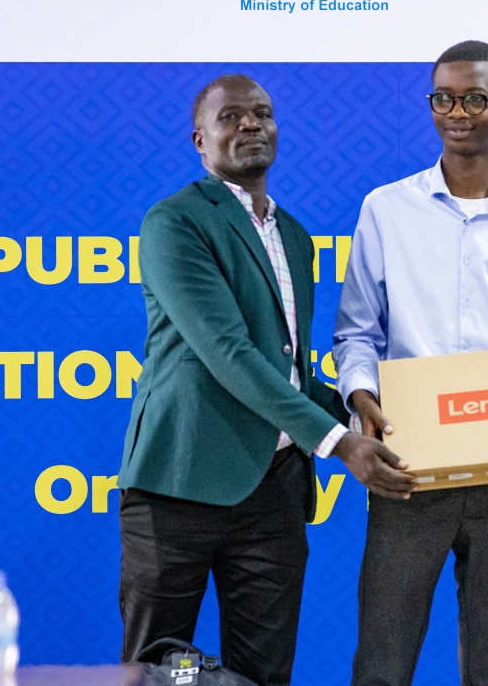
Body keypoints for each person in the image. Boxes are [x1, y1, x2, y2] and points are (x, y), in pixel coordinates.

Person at [116, 74, 414, 686]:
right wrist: (339, 441)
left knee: (265, 675)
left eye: (262, 113)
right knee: (154, 671)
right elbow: (227, 353)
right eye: (230, 117)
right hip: (180, 482)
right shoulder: (174, 222)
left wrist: (372, 413)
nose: (250, 124)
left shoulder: (296, 237)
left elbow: (288, 371)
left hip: (273, 495)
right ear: (200, 140)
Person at [333, 41, 488, 686]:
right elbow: (356, 332)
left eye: (473, 98)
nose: (456, 112)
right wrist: (361, 399)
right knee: (382, 663)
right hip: (407, 469)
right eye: (442, 98)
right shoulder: (386, 208)